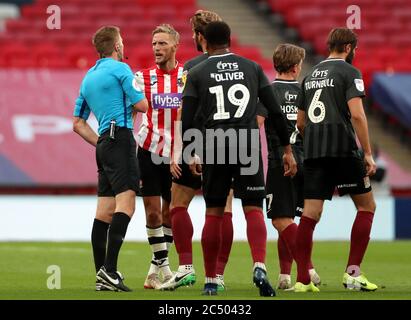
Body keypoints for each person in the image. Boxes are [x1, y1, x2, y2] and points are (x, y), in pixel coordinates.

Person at [181, 21, 297, 296]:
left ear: (205, 42)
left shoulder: (196, 72)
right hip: (246, 142)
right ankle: (259, 265)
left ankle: (211, 281)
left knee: (214, 212)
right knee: (254, 209)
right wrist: (287, 149)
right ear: (230, 40)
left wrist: (191, 151)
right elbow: (276, 112)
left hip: (216, 143)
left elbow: (187, 120)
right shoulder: (252, 68)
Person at [294, 27, 378, 292]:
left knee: (310, 215)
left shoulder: (309, 77)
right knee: (366, 207)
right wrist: (367, 152)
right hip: (343, 150)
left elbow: (300, 122)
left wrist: (315, 140)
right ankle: (353, 274)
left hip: (315, 153)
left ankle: (302, 280)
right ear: (350, 47)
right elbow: (357, 115)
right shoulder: (349, 72)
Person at [162, 10, 234, 292]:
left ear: (199, 35)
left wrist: (180, 149)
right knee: (222, 209)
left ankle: (186, 268)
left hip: (196, 142)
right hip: (228, 145)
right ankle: (217, 274)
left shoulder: (190, 68)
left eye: (192, 33)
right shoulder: (235, 66)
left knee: (178, 204)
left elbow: (184, 111)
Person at [73, 26, 148, 292]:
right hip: (122, 139)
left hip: (104, 142)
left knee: (104, 212)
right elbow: (142, 106)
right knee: (126, 205)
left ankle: (101, 276)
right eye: (122, 41)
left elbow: (78, 123)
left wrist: (101, 141)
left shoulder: (88, 77)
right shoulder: (121, 70)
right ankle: (111, 271)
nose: (124, 45)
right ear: (117, 46)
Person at [258, 44, 321, 290]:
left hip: (280, 161)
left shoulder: (268, 91)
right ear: (296, 67)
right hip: (307, 159)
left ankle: (307, 269)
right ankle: (285, 275)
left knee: (281, 220)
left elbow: (257, 122)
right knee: (295, 220)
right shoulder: (307, 90)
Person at [134, 24, 183, 290]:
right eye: (154, 44)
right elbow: (130, 106)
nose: (157, 48)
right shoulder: (142, 77)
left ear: (176, 45)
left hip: (177, 154)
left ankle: (155, 270)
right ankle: (165, 269)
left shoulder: (187, 76)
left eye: (163, 43)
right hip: (149, 150)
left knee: (171, 213)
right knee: (152, 213)